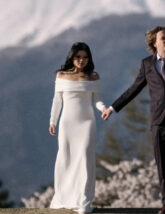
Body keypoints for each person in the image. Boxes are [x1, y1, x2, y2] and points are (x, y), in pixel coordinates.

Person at [102, 26, 165, 214]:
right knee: (163, 164)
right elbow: (133, 89)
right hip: (159, 121)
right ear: (154, 43)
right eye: (163, 38)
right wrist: (113, 108)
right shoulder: (147, 64)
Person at [49, 42, 106, 214]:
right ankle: (65, 197)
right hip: (67, 123)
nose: (82, 60)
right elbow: (57, 101)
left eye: (85, 57)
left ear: (89, 59)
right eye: (78, 57)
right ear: (72, 58)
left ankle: (84, 201)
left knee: (86, 159)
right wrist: (52, 121)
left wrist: (104, 108)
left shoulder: (93, 77)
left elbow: (96, 100)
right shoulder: (61, 75)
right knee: (65, 158)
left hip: (87, 123)